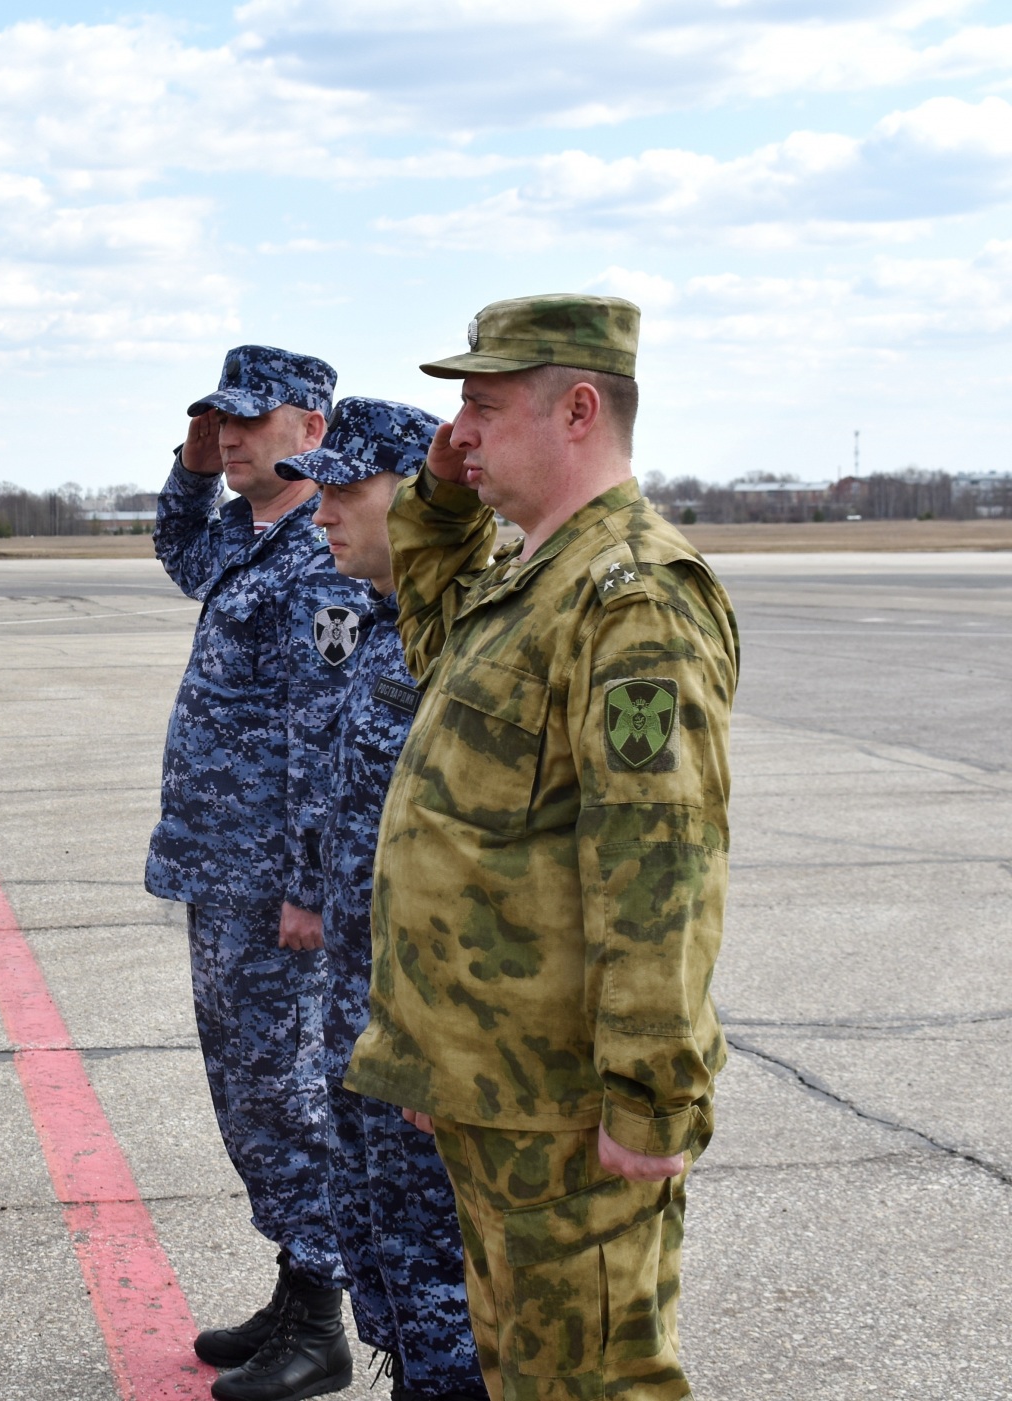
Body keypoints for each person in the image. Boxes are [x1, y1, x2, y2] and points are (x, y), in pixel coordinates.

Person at [344, 295, 738, 1401]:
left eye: (482, 400)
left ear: (578, 409)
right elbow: (424, 608)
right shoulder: (530, 581)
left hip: (568, 1108)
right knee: (525, 1375)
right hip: (495, 1087)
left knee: (597, 1384)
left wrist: (650, 1097)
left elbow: (658, 863)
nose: (460, 427)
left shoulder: (636, 599)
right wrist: (436, 492)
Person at [147, 345, 368, 1401]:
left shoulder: (322, 553)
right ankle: (295, 1283)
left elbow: (327, 734)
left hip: (275, 880)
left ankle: (322, 1317)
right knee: (245, 1088)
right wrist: (191, 469)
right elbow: (180, 554)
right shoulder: (247, 532)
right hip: (218, 863)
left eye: (249, 420)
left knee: (285, 1092)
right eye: (217, 421)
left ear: (312, 430)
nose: (230, 437)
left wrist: (310, 887)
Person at [277, 399, 489, 1401]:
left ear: (422, 492)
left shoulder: (475, 641)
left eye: (347, 487)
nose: (320, 509)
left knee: (447, 1295)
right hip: (368, 1020)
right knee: (390, 1276)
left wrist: (442, 1045)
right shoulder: (378, 627)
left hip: (431, 1042)